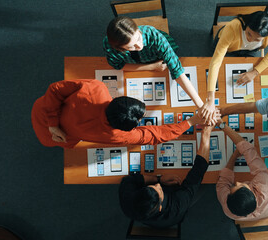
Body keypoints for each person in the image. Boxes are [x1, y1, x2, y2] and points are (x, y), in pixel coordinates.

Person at [31, 79, 204, 148]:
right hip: (50, 136)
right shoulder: (115, 136)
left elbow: (55, 89)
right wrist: (191, 121)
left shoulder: (96, 87)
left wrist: (53, 123)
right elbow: (154, 135)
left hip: (42, 108)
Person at [103, 16, 216, 123]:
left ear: (137, 29)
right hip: (145, 63)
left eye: (138, 38)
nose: (139, 46)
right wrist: (151, 67)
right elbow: (118, 65)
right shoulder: (110, 46)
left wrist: (201, 106)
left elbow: (177, 70)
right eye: (131, 47)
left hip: (159, 57)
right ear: (120, 48)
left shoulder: (153, 35)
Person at [118, 125, 213, 228]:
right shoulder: (178, 206)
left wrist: (158, 178)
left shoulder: (128, 202)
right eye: (160, 189)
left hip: (147, 216)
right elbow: (198, 170)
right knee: (204, 185)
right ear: (159, 207)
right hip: (174, 216)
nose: (158, 185)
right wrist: (206, 132)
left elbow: (129, 180)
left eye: (153, 186)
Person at [202, 11, 268, 121]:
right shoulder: (232, 27)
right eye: (249, 34)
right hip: (229, 47)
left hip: (251, 51)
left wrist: (255, 72)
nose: (250, 39)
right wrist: (211, 99)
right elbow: (216, 62)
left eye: (257, 39)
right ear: (247, 25)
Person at [216, 120, 268, 221]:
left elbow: (222, 183)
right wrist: (222, 125)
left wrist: (234, 156)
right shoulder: (265, 186)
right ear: (252, 191)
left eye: (233, 187)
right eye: (241, 186)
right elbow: (249, 150)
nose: (237, 182)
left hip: (264, 210)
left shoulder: (228, 209)